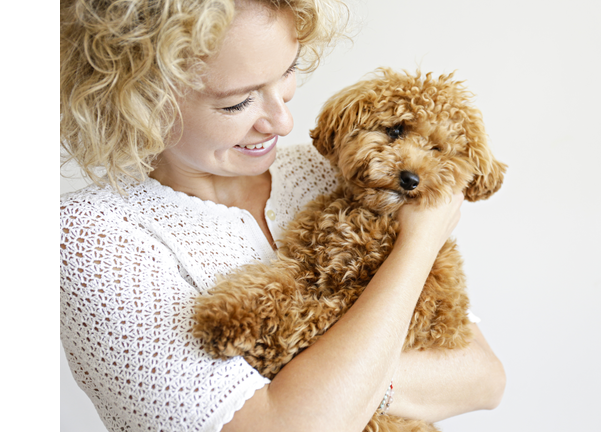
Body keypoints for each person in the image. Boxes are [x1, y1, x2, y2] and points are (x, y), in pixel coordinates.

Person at [59, 0, 506, 431]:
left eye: (287, 72)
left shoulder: (328, 172)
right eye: (238, 102)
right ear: (138, 99)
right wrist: (419, 243)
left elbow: (483, 378)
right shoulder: (90, 237)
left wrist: (330, 383)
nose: (283, 121)